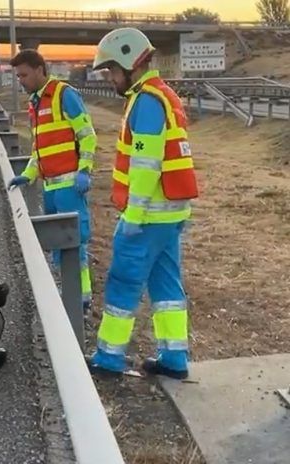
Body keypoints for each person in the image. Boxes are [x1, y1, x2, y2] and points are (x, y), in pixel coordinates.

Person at [87, 28, 199, 379]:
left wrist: (133, 215)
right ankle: (174, 358)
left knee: (124, 281)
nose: (110, 77)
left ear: (129, 63)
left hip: (147, 216)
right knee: (166, 286)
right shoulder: (161, 95)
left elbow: (146, 165)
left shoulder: (147, 101)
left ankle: (108, 357)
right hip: (170, 213)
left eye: (112, 70)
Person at [7, 49, 97, 311]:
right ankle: (68, 290)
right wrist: (28, 174)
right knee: (59, 247)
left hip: (70, 185)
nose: (20, 80)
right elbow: (39, 148)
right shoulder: (35, 102)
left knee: (74, 244)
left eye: (24, 74)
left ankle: (81, 298)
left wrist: (85, 170)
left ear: (39, 70)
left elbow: (87, 135)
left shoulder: (63, 95)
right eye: (18, 76)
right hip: (50, 187)